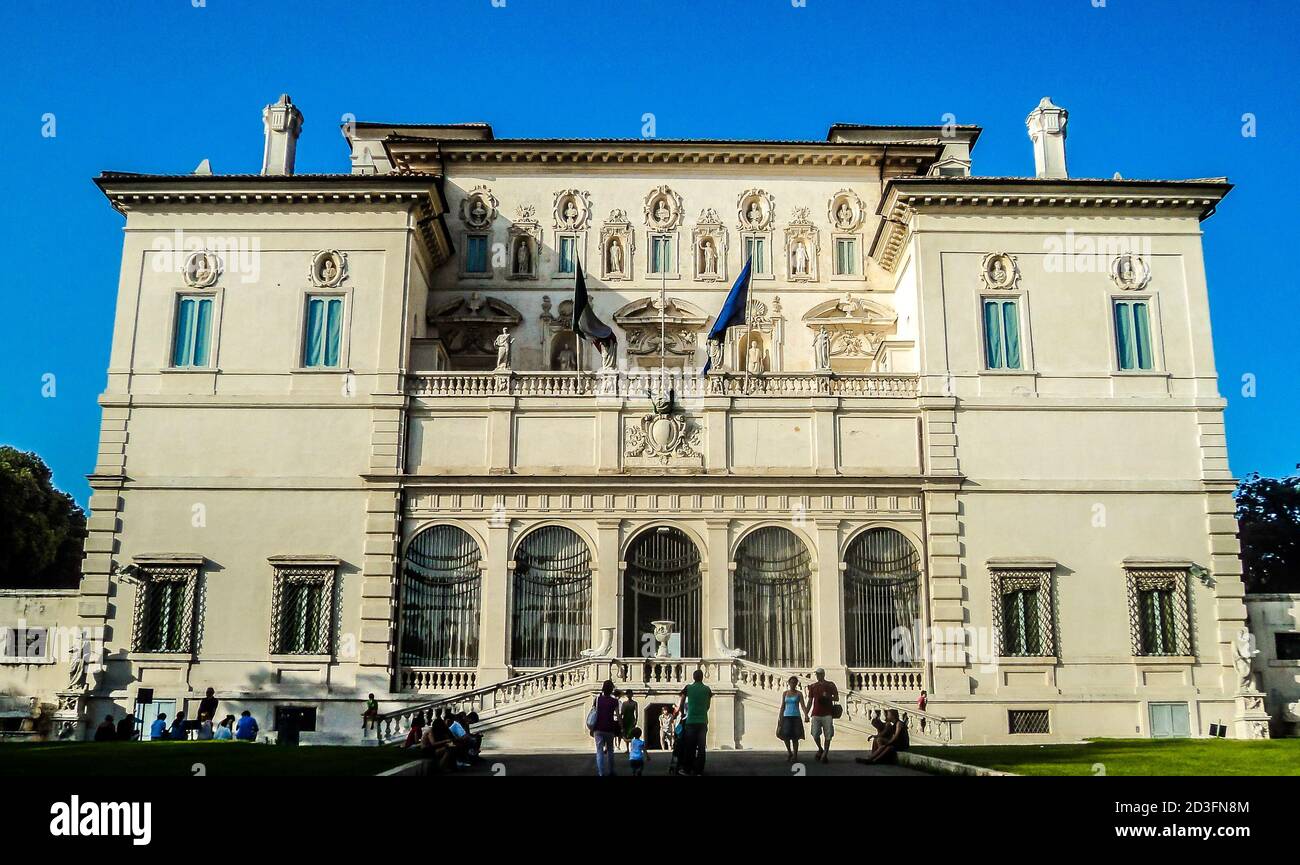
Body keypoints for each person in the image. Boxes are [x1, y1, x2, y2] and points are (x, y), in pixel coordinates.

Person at [676, 669, 712, 775]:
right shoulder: (707, 689)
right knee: (701, 748)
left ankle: (687, 769)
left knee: (690, 747)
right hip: (703, 721)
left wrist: (682, 713)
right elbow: (708, 705)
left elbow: (681, 702)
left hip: (691, 721)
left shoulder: (688, 688)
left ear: (693, 677)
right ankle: (699, 770)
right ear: (702, 677)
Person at [806, 667, 839, 764]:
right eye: (817, 674)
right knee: (815, 733)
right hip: (816, 713)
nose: (818, 676)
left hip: (827, 713)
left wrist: (828, 697)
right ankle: (820, 748)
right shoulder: (813, 686)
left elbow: (836, 698)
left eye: (819, 674)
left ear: (823, 674)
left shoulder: (830, 685)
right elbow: (810, 701)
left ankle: (825, 754)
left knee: (828, 734)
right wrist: (806, 713)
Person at [591, 679, 621, 776]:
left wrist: (591, 728)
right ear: (611, 689)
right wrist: (621, 726)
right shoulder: (614, 701)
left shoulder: (597, 699)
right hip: (609, 728)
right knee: (610, 750)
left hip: (598, 727)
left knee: (599, 751)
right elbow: (618, 715)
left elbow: (593, 712)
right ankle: (611, 771)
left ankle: (601, 773)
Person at [777, 676, 809, 763]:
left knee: (795, 737)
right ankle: (789, 752)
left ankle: (795, 755)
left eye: (794, 682)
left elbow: (802, 705)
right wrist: (780, 717)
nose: (793, 684)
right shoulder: (785, 693)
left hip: (796, 716)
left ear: (796, 684)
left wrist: (806, 715)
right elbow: (782, 706)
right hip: (786, 716)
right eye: (791, 682)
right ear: (789, 683)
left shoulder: (799, 694)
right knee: (785, 736)